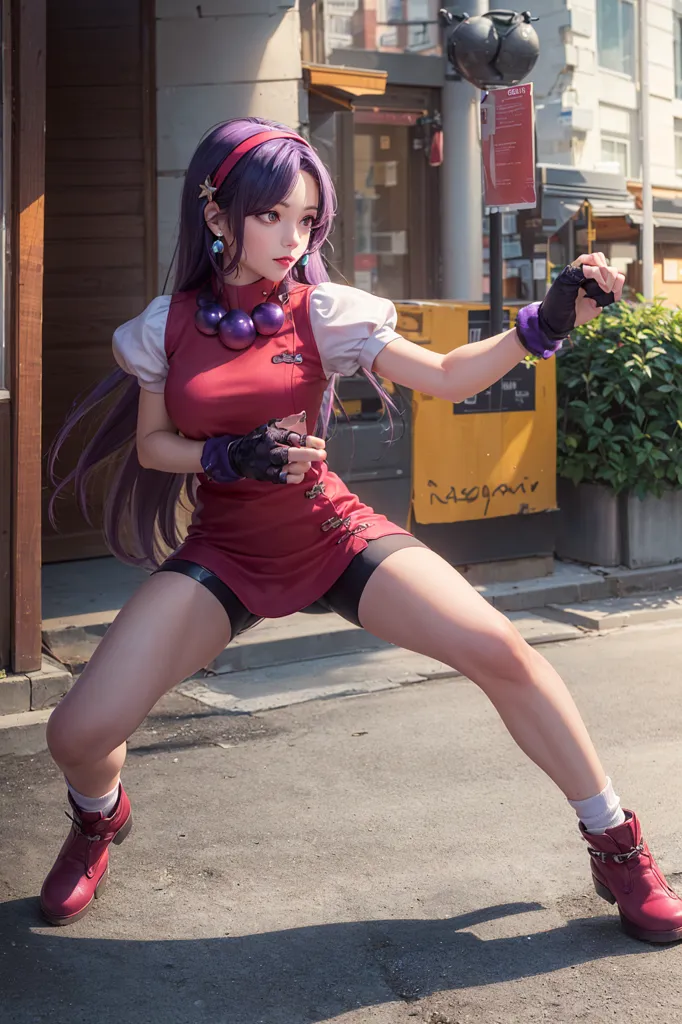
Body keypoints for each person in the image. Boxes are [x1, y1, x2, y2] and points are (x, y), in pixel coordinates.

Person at [41, 117, 682, 943]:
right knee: (76, 733)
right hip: (228, 550)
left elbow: (447, 378)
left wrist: (543, 323)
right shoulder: (165, 325)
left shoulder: (326, 311)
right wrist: (227, 455)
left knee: (503, 650)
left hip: (332, 532)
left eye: (307, 220)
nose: (291, 236)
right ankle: (100, 816)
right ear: (216, 214)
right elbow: (155, 446)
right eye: (272, 215)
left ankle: (616, 841)